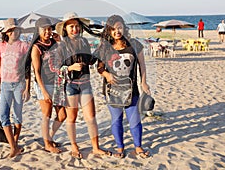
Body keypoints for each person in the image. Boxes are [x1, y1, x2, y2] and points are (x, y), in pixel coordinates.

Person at [54, 12, 111, 159]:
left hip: (86, 84)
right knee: (71, 118)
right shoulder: (61, 46)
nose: (75, 29)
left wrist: (101, 49)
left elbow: (90, 61)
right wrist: (70, 68)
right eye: (71, 26)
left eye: (77, 26)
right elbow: (56, 69)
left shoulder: (84, 42)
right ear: (65, 29)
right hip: (70, 86)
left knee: (91, 117)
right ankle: (74, 146)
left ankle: (96, 147)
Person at [94, 15, 151, 159]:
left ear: (124, 28)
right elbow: (99, 67)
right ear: (109, 30)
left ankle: (138, 147)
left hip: (131, 90)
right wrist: (106, 75)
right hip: (112, 90)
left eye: (119, 27)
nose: (117, 31)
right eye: (113, 29)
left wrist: (144, 82)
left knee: (134, 119)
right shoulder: (105, 47)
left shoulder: (134, 44)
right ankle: (120, 147)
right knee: (116, 120)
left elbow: (142, 66)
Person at [28, 17, 66, 153]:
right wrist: (43, 91)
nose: (47, 32)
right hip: (44, 84)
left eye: (49, 29)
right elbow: (36, 72)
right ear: (38, 31)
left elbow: (64, 57)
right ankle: (47, 144)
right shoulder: (36, 47)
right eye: (44, 29)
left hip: (57, 82)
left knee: (62, 115)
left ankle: (49, 137)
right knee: (47, 115)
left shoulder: (54, 43)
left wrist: (60, 41)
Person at [0, 18, 30, 158]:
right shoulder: (0, 46)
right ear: (7, 32)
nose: (14, 32)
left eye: (16, 29)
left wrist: (28, 88)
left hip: (19, 85)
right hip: (5, 85)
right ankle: (13, 146)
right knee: (3, 114)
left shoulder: (24, 46)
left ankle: (14, 144)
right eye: (11, 30)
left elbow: (28, 69)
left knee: (17, 115)